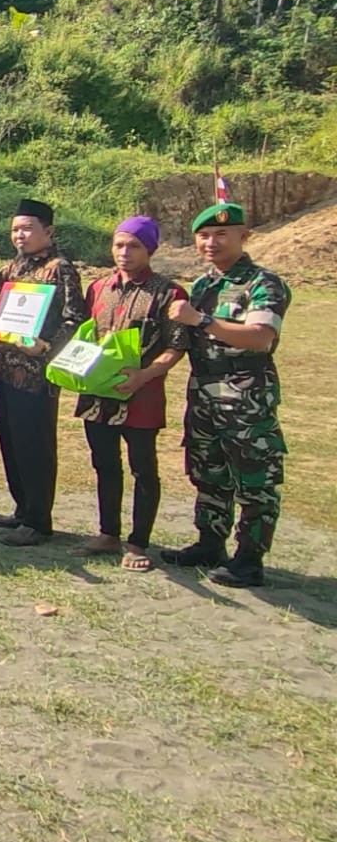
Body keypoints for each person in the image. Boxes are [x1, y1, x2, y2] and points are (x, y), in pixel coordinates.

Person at [160, 202, 292, 588]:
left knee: (255, 479)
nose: (211, 242)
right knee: (209, 472)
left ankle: (250, 558)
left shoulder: (263, 283)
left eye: (221, 234)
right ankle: (209, 542)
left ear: (243, 237)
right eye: (203, 236)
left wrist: (201, 320)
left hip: (246, 395)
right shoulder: (204, 285)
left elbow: (261, 337)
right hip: (204, 393)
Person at [67, 216, 189, 571]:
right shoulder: (98, 288)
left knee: (143, 468)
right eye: (119, 244)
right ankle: (108, 533)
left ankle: (137, 543)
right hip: (98, 395)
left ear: (149, 249)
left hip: (141, 396)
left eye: (133, 245)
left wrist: (144, 375)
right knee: (104, 464)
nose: (124, 252)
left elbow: (176, 347)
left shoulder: (169, 293)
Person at [0, 198, 89, 546]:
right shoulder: (16, 266)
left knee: (35, 444)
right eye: (14, 230)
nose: (19, 235)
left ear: (48, 231)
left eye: (27, 228)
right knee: (11, 440)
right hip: (6, 368)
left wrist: (47, 348)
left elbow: (75, 318)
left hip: (36, 372)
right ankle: (22, 509)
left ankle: (39, 520)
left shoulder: (60, 268)